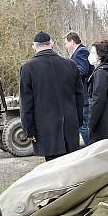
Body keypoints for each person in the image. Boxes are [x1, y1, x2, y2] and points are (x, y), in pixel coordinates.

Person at [19, 31, 84, 161]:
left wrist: (29, 130)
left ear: (34, 46)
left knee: (53, 167)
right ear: (52, 44)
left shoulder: (27, 68)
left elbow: (26, 103)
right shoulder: (70, 65)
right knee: (72, 166)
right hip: (69, 125)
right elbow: (79, 96)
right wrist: (78, 121)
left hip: (46, 127)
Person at [64, 31, 92, 145]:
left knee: (84, 125)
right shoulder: (78, 52)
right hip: (83, 93)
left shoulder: (81, 52)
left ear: (72, 41)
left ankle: (91, 148)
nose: (65, 46)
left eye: (66, 43)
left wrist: (67, 73)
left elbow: (83, 70)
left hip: (84, 93)